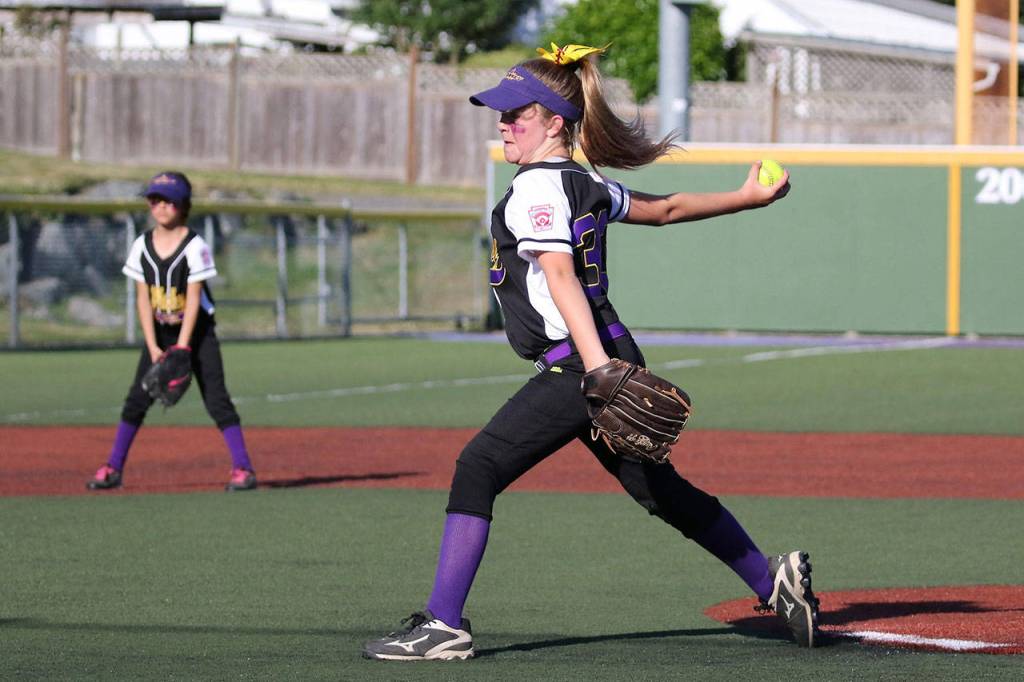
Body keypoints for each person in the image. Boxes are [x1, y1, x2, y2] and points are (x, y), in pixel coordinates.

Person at [362, 43, 818, 661]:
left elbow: (559, 275)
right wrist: (748, 198)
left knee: (479, 467)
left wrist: (598, 369)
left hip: (581, 364)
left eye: (515, 113)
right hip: (605, 352)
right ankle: (774, 584)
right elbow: (666, 209)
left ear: (554, 122)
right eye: (500, 112)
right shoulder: (585, 180)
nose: (502, 122)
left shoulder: (538, 189)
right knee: (660, 490)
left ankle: (444, 624)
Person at [86, 171, 257, 493]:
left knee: (217, 400)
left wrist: (182, 349)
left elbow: (193, 300)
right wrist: (153, 346)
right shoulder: (141, 245)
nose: (161, 206)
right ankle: (113, 467)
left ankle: (243, 468)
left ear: (183, 205)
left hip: (197, 333)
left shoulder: (195, 246)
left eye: (168, 200)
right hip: (161, 332)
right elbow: (142, 298)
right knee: (136, 399)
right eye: (155, 199)